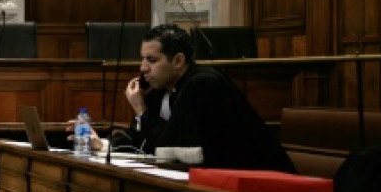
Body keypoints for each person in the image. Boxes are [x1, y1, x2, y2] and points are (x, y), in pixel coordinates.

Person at [120, 23, 293, 171]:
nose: (143, 68)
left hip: (260, 188)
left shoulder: (204, 85)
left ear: (178, 61)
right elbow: (144, 140)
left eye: (151, 60)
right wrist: (102, 144)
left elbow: (170, 148)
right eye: (142, 59)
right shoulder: (160, 89)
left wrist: (141, 111)